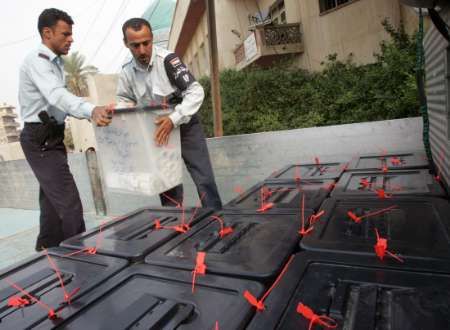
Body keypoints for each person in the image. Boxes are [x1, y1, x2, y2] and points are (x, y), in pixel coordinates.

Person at [19, 8, 113, 251]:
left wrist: (91, 111)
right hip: (40, 140)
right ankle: (80, 258)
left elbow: (59, 101)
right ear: (47, 33)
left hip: (51, 137)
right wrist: (91, 110)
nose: (71, 39)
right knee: (69, 204)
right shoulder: (37, 61)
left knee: (51, 201)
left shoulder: (55, 63)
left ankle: (47, 249)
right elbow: (56, 95)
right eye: (65, 34)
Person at [116, 17, 222, 209]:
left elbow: (196, 91)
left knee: (203, 177)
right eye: (135, 45)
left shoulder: (168, 60)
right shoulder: (126, 72)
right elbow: (125, 100)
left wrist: (174, 119)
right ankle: (172, 226)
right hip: (157, 131)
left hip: (184, 125)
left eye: (146, 43)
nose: (142, 50)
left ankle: (217, 220)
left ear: (152, 39)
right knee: (166, 185)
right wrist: (118, 110)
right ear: (126, 44)